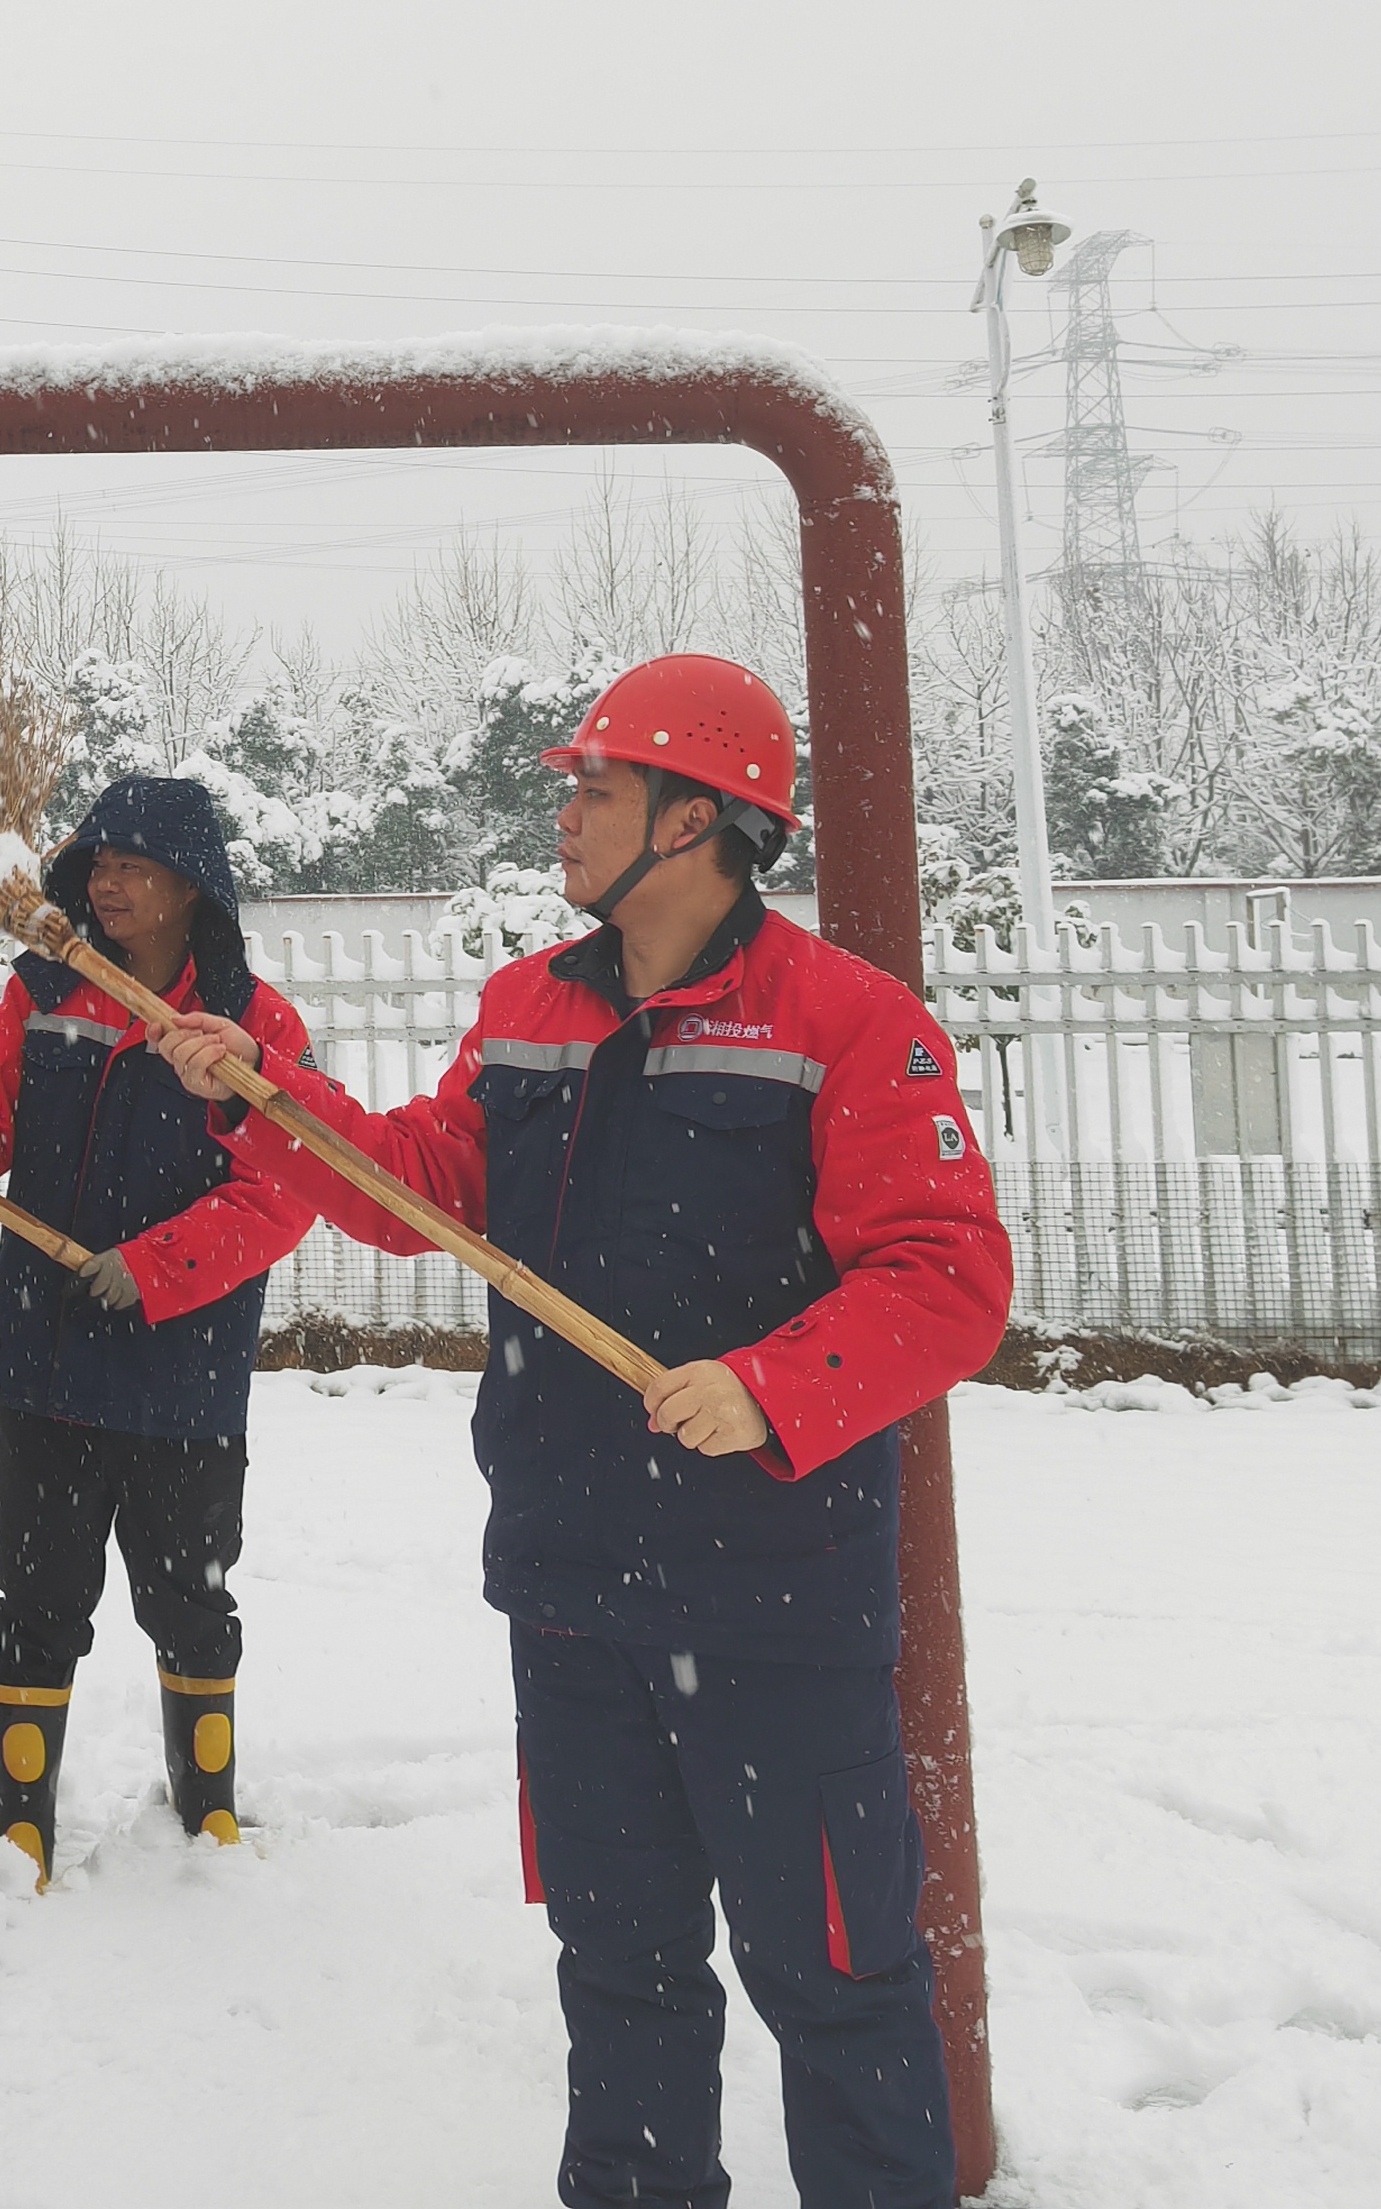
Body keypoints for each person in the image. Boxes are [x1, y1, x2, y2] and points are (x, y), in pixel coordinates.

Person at [151, 658, 1010, 2209]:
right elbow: (425, 1186)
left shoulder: (846, 1021)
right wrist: (268, 1096)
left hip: (773, 1604)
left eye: (595, 790)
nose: (563, 816)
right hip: (572, 1585)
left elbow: (948, 1278)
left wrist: (772, 1385)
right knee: (620, 1967)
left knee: (836, 1979)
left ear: (693, 820)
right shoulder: (528, 1008)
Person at [0, 773, 318, 1883]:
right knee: (38, 1595)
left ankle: (207, 1817)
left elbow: (280, 1189)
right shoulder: (44, 990)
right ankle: (25, 1826)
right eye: (96, 864)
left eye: (131, 866)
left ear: (188, 885)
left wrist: (154, 1268)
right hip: (49, 1355)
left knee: (189, 1597)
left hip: (183, 1371)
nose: (106, 884)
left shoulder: (253, 1026)